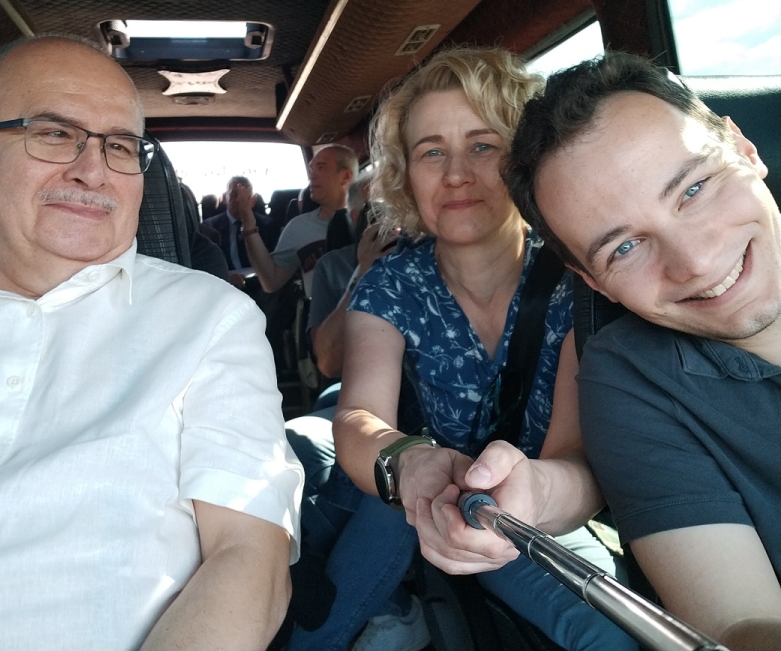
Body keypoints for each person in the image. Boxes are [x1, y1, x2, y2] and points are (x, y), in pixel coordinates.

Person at [0, 35, 303, 651]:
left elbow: (249, 554)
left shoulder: (208, 318)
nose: (93, 170)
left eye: (121, 146)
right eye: (54, 134)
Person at [293, 47, 635, 651]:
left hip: (529, 514)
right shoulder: (391, 283)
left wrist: (525, 502)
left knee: (616, 638)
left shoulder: (578, 280)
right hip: (409, 493)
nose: (455, 174)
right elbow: (359, 415)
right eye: (431, 152)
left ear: (524, 159)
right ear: (406, 174)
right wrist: (410, 464)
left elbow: (575, 456)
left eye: (483, 146)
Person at [506, 51, 781, 650]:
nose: (695, 261)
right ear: (594, 283)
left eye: (694, 189)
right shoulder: (629, 380)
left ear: (744, 149)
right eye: (625, 248)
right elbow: (737, 626)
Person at [308, 171, 396, 381]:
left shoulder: (427, 255)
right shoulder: (331, 267)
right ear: (358, 217)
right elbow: (328, 362)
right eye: (379, 209)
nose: (391, 217)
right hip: (362, 378)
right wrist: (363, 273)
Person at [241, 145, 358, 297]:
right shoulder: (299, 227)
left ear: (346, 176)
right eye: (311, 169)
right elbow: (271, 281)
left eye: (321, 167)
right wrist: (249, 225)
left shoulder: (373, 222)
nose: (312, 175)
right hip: (322, 312)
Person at [202, 175, 281, 289]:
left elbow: (275, 264)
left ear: (253, 201)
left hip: (261, 284)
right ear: (224, 198)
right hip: (224, 285)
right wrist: (225, 276)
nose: (239, 200)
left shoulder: (269, 226)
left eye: (245, 197)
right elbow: (206, 264)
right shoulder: (209, 227)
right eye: (234, 195)